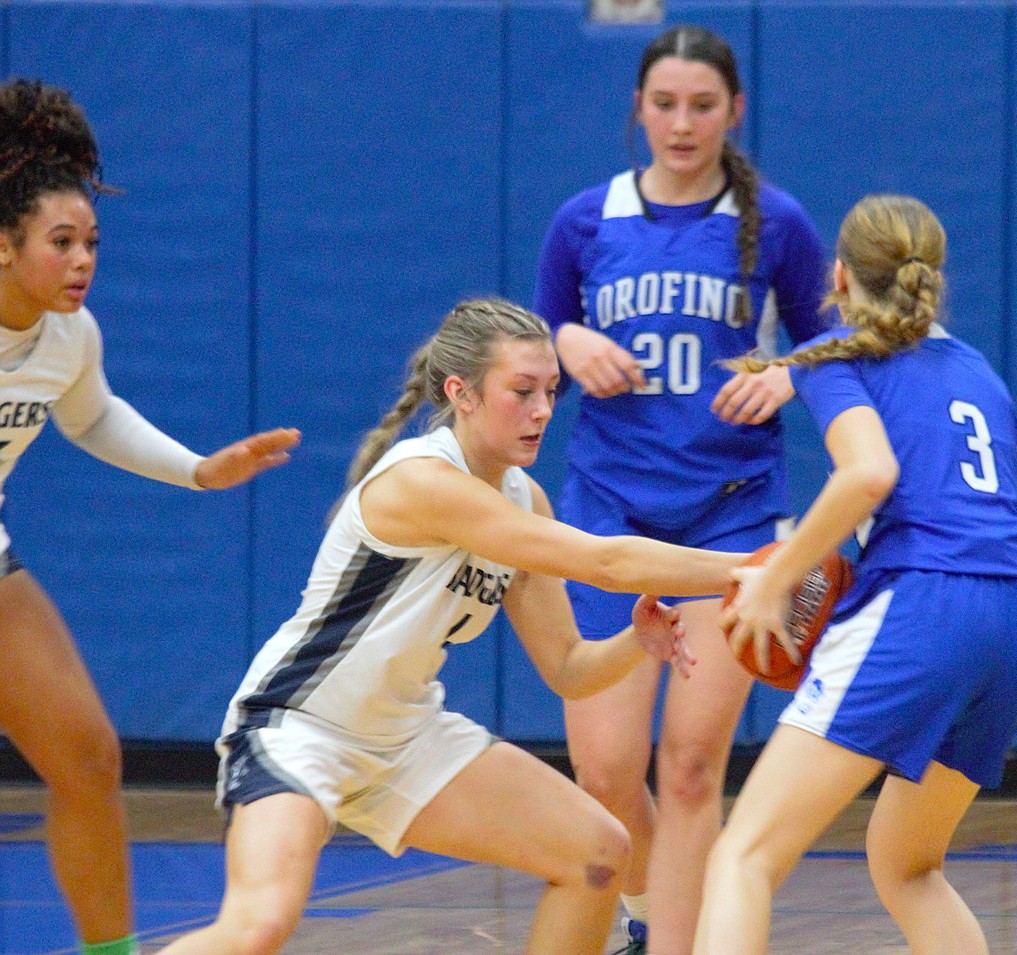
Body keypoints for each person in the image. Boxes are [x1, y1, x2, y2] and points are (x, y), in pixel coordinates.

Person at [153, 297, 749, 955]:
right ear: (461, 394)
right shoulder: (425, 482)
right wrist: (758, 569)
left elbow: (569, 670)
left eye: (552, 390)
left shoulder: (525, 496)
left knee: (597, 852)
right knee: (258, 924)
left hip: (405, 735)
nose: (544, 409)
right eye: (521, 391)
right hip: (299, 728)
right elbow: (607, 561)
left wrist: (637, 642)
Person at [693, 194, 1017, 954]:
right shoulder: (981, 373)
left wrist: (775, 576)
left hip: (927, 600)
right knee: (908, 865)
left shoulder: (840, 352)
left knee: (744, 855)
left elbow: (868, 473)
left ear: (838, 275)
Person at [531, 23, 827, 954]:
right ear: (638, 109)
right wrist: (565, 344)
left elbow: (837, 343)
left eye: (703, 105)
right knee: (605, 769)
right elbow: (534, 341)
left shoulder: (777, 223)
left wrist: (790, 373)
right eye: (665, 103)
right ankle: (652, 915)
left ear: (734, 111)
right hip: (607, 517)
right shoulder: (586, 221)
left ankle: (675, 943)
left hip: (730, 516)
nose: (683, 122)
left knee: (693, 765)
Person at [0, 78, 300, 955]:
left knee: (89, 756)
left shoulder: (69, 337)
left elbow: (89, 415)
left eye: (91, 240)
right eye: (62, 242)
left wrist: (200, 469)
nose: (84, 259)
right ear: (5, 247)